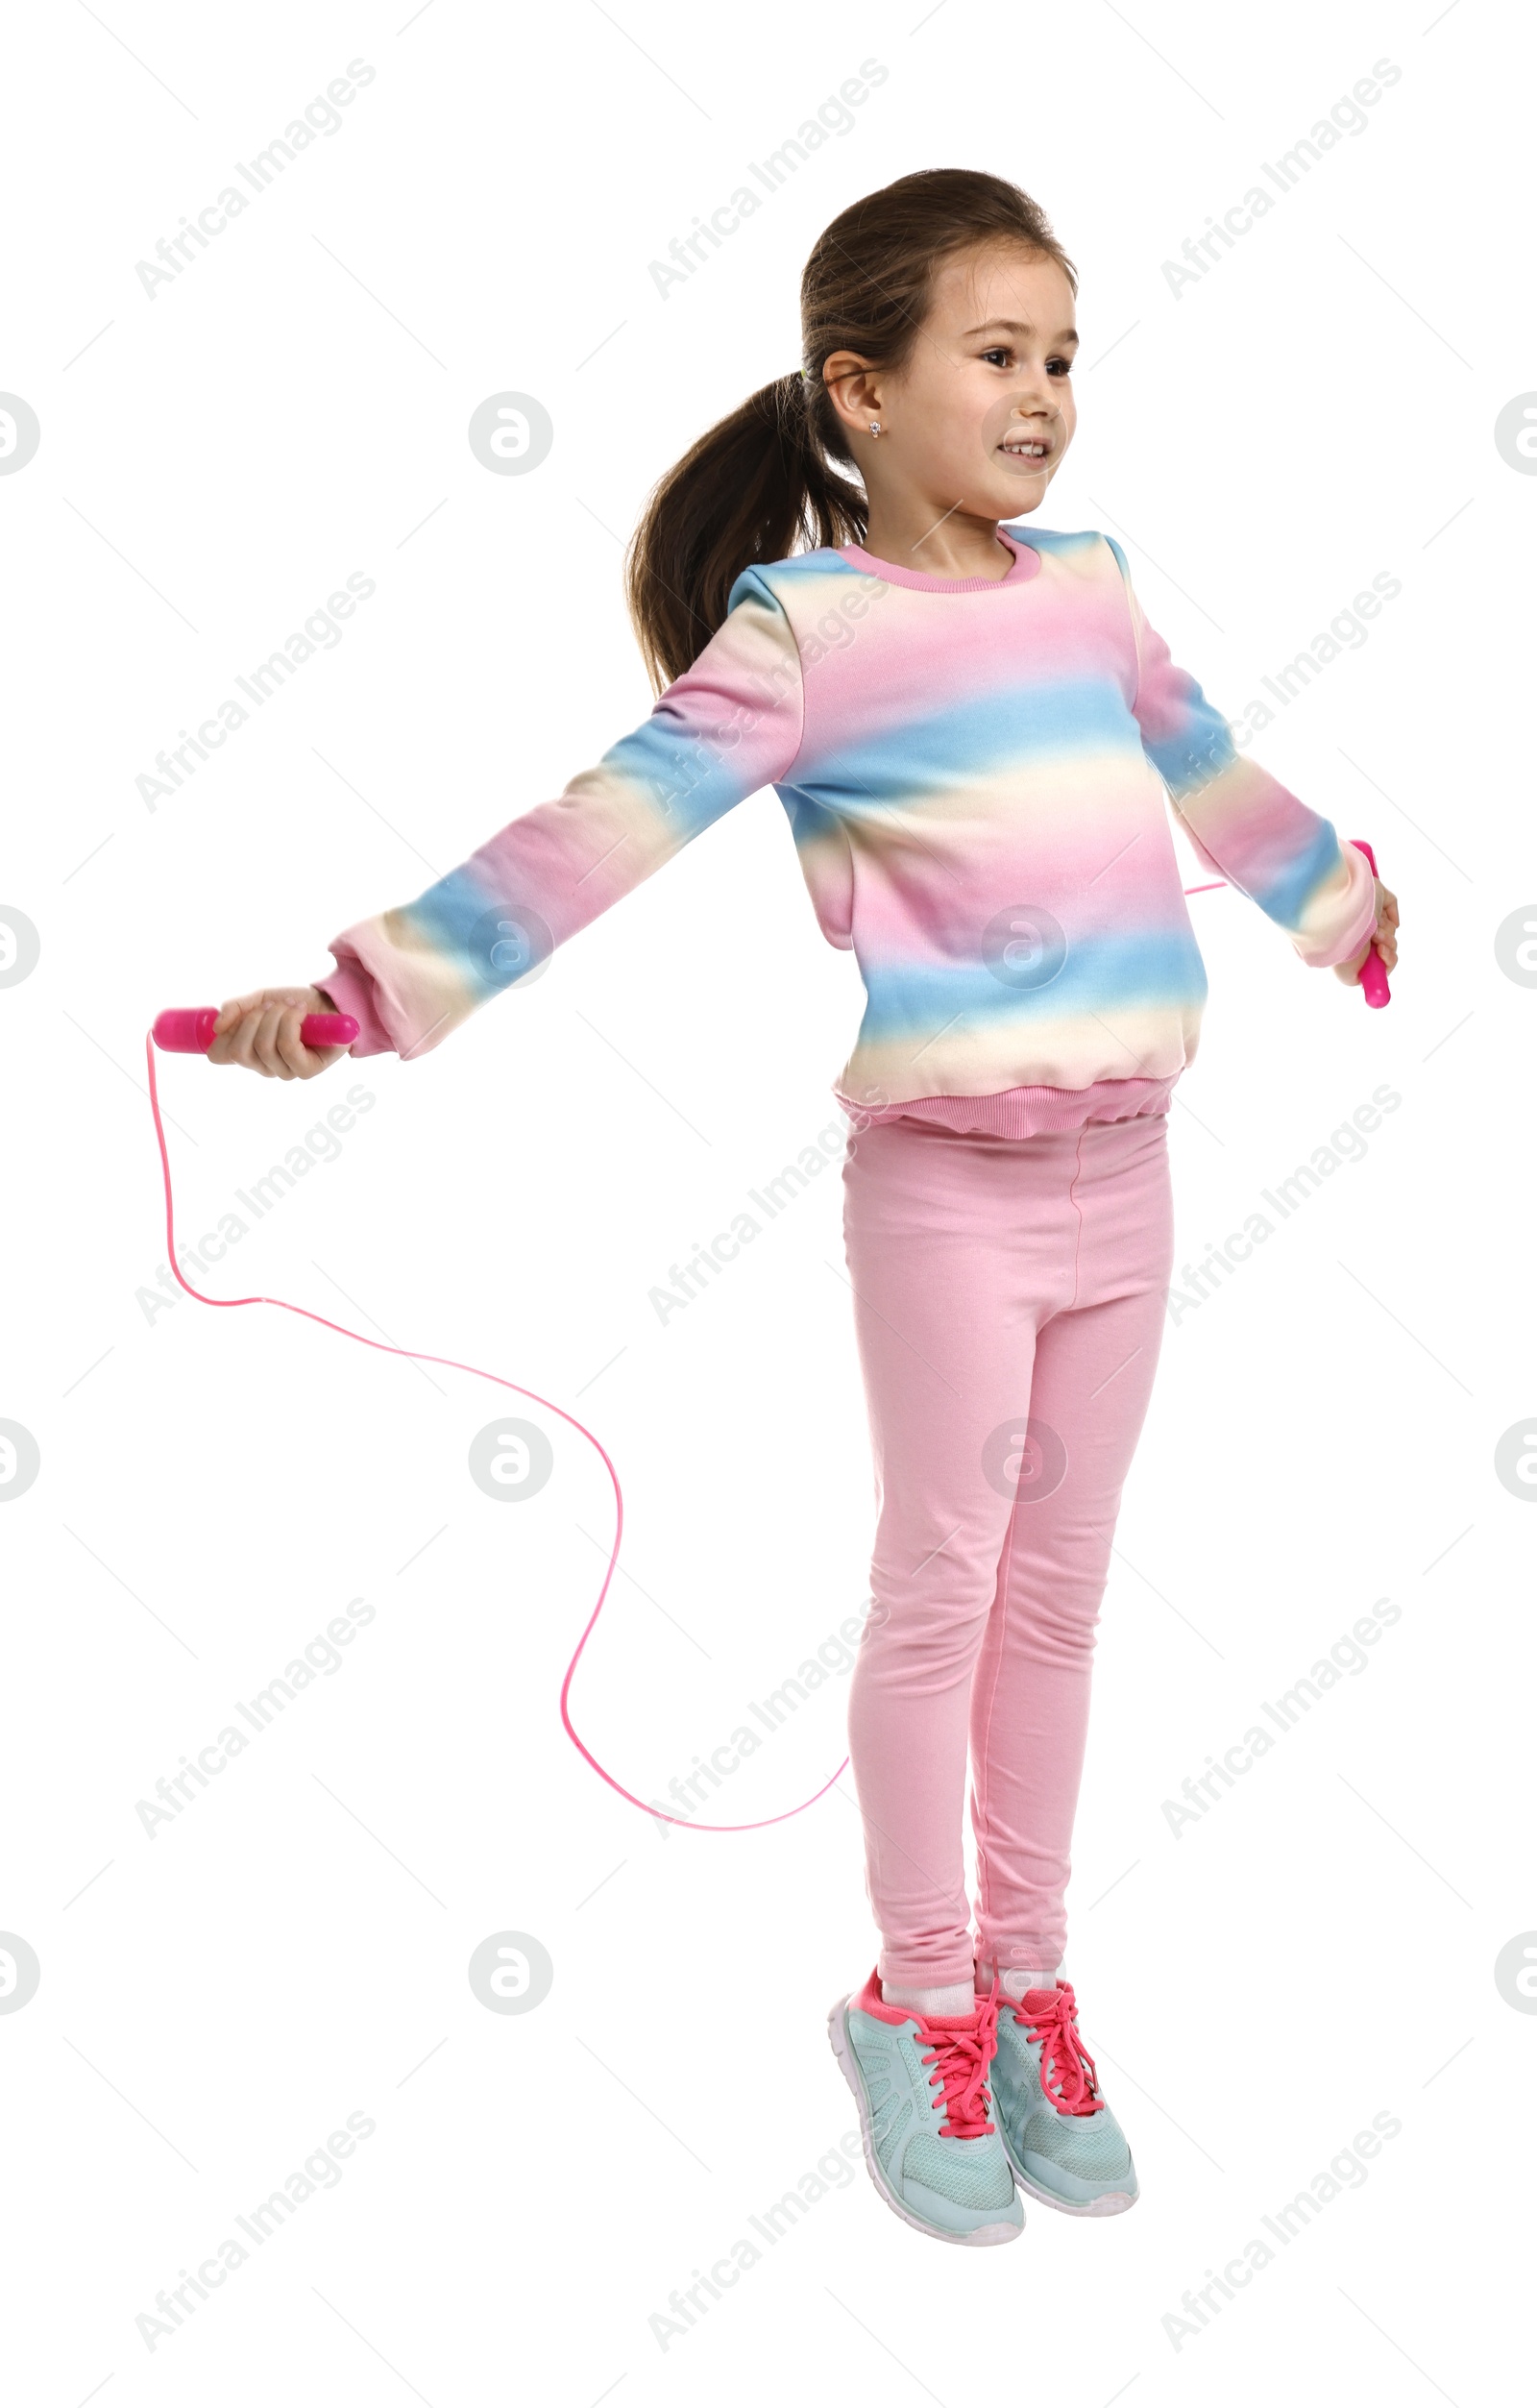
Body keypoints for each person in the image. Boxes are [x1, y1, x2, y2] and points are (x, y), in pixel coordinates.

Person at [207, 167, 1400, 2248]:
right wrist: (364, 993)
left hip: (1127, 1178)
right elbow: (591, 834)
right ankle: (913, 1997)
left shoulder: (1090, 585)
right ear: (858, 389)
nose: (1040, 393)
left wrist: (1330, 898)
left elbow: (1207, 766)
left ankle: (1030, 1978)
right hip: (947, 1197)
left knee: (1063, 1594)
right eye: (994, 355)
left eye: (1060, 357)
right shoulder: (810, 634)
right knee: (941, 1581)